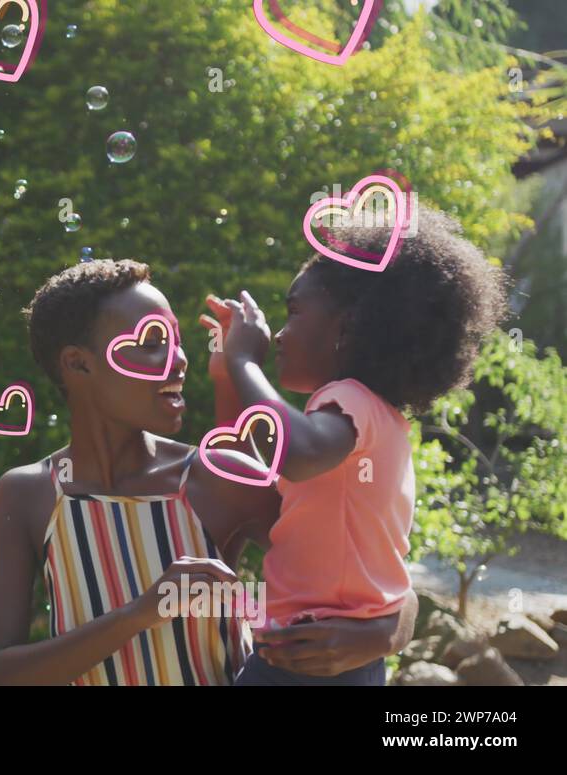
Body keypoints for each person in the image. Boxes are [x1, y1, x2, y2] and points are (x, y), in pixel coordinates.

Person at [0, 259, 419, 685]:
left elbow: (375, 577)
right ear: (78, 363)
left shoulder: (217, 479)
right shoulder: (28, 496)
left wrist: (381, 636)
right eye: (152, 343)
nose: (180, 360)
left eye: (175, 341)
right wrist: (141, 613)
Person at [208, 206, 505, 685]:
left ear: (348, 325)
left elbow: (295, 452)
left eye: (294, 311)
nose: (280, 334)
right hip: (335, 656)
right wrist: (227, 376)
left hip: (309, 660)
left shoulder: (347, 402)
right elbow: (242, 477)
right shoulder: (372, 422)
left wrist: (246, 361)